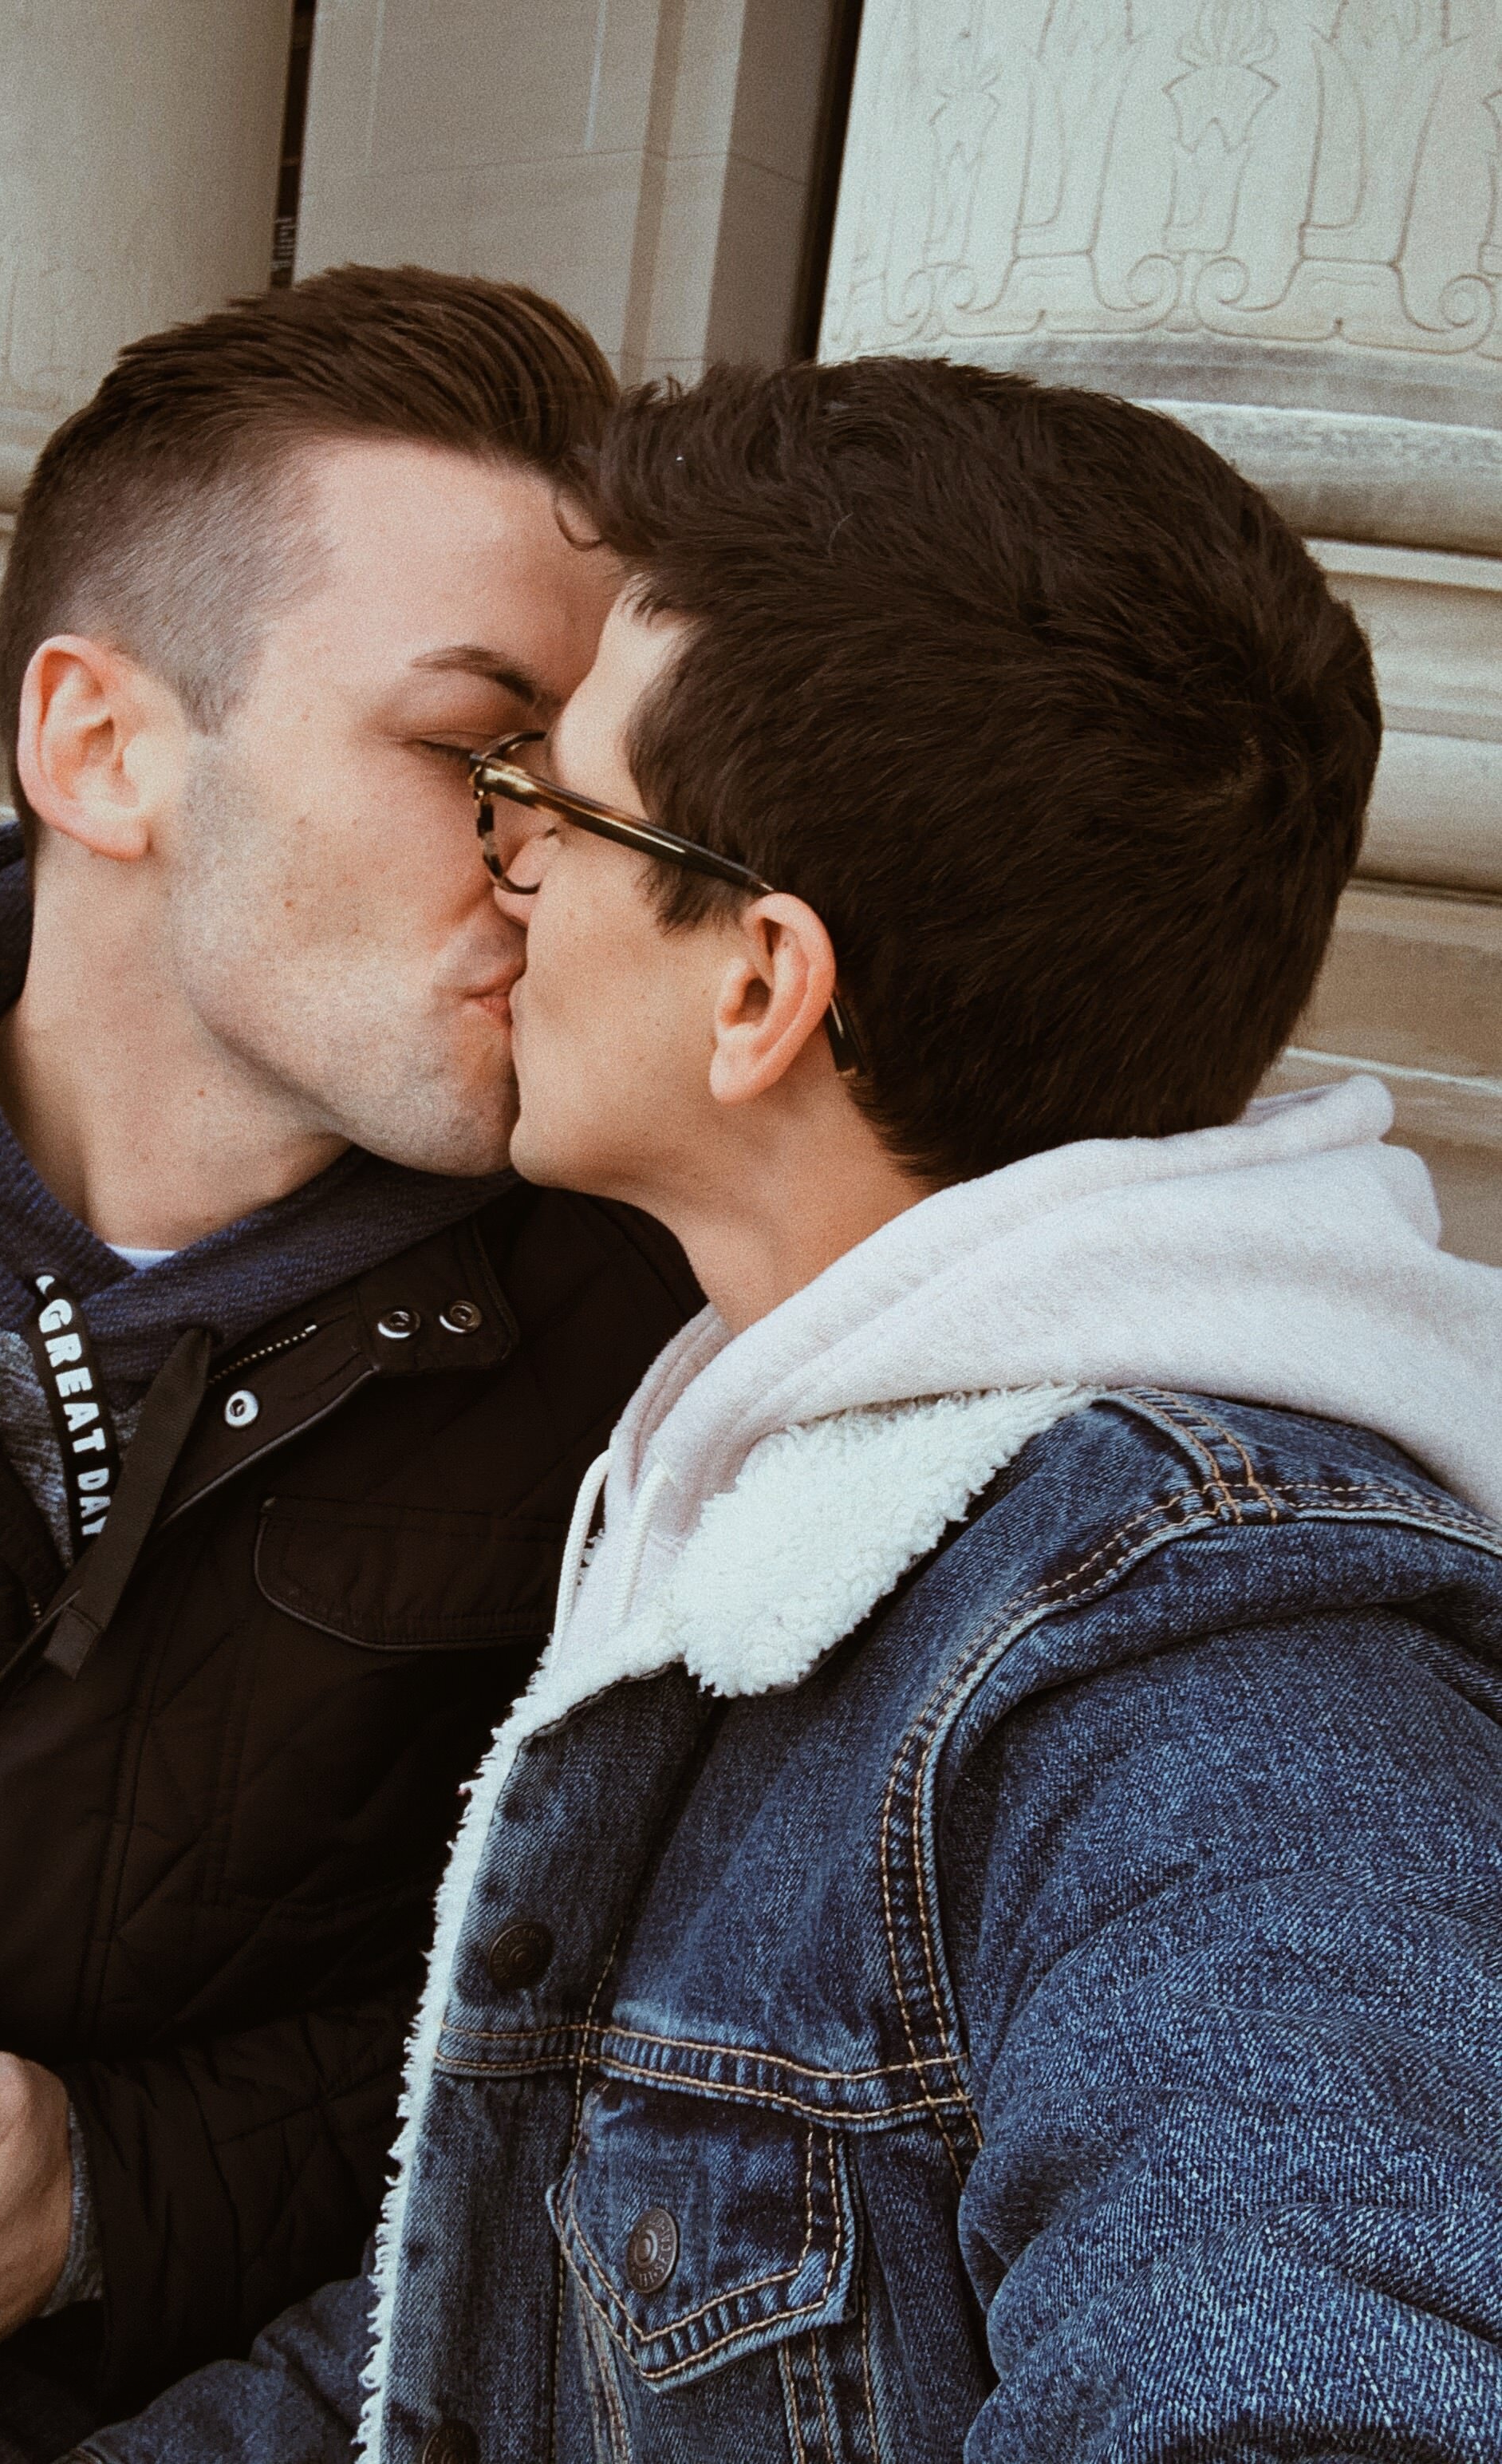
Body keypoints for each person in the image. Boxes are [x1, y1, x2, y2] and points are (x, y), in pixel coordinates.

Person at [73, 356, 1502, 2464]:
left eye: (550, 797)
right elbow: (507, 2305)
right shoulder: (802, 1482)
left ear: (757, 983)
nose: (504, 874)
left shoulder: (1221, 1703)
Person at [0, 267, 699, 2455]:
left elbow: (652, 2024)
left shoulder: (662, 1336)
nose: (555, 865)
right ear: (104, 746)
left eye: (589, 782)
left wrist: (113, 2190)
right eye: (472, 751)